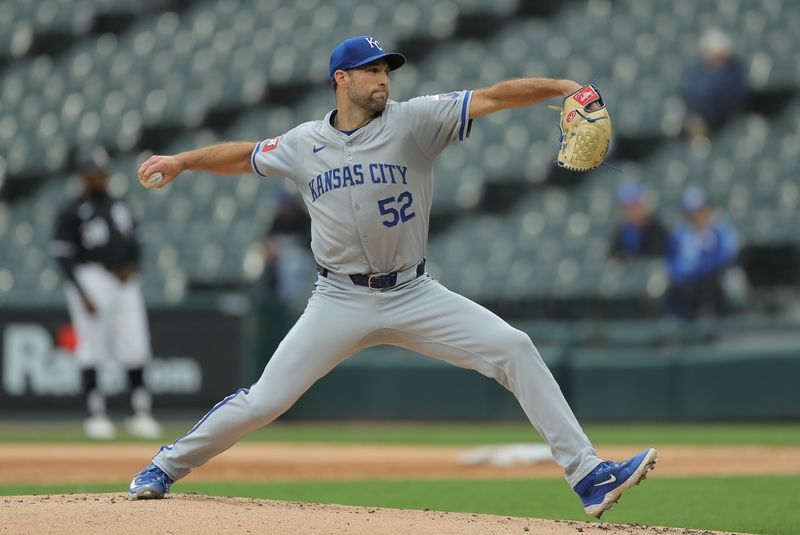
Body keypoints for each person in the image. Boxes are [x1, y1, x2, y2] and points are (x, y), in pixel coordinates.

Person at [128, 35, 656, 518]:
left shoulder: (416, 120)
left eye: (387, 70)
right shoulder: (303, 142)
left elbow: (495, 96)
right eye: (370, 70)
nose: (383, 79)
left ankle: (588, 475)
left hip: (414, 291)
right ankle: (165, 466)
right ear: (342, 79)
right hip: (338, 297)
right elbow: (244, 156)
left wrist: (564, 88)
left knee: (514, 347)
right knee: (266, 400)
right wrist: (183, 161)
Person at [50, 147, 162, 440]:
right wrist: (81, 292)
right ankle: (95, 413)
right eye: (93, 174)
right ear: (83, 177)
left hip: (123, 282)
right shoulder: (71, 210)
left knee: (135, 345)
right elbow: (64, 256)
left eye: (102, 173)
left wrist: (133, 266)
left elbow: (136, 241)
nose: (99, 179)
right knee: (92, 347)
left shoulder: (120, 205)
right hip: (91, 277)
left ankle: (140, 412)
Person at [665, 187, 740, 320]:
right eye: (691, 212)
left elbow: (722, 257)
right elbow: (672, 260)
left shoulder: (720, 229)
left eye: (699, 211)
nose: (696, 216)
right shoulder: (680, 233)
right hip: (686, 282)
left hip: (712, 278)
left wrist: (698, 268)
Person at [681, 27, 749, 137]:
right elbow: (689, 92)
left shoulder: (734, 73)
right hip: (698, 119)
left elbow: (732, 98)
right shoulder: (699, 73)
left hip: (722, 122)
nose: (717, 59)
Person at [256, 191, 315, 314]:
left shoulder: (304, 218)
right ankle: (280, 305)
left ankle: (291, 306)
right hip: (282, 260)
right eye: (284, 207)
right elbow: (267, 244)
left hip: (306, 260)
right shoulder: (277, 220)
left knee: (292, 267)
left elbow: (309, 245)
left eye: (289, 206)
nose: (287, 210)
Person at [609, 180, 669, 261]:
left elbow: (654, 259)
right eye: (626, 208)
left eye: (634, 206)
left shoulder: (658, 230)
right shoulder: (623, 232)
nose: (630, 211)